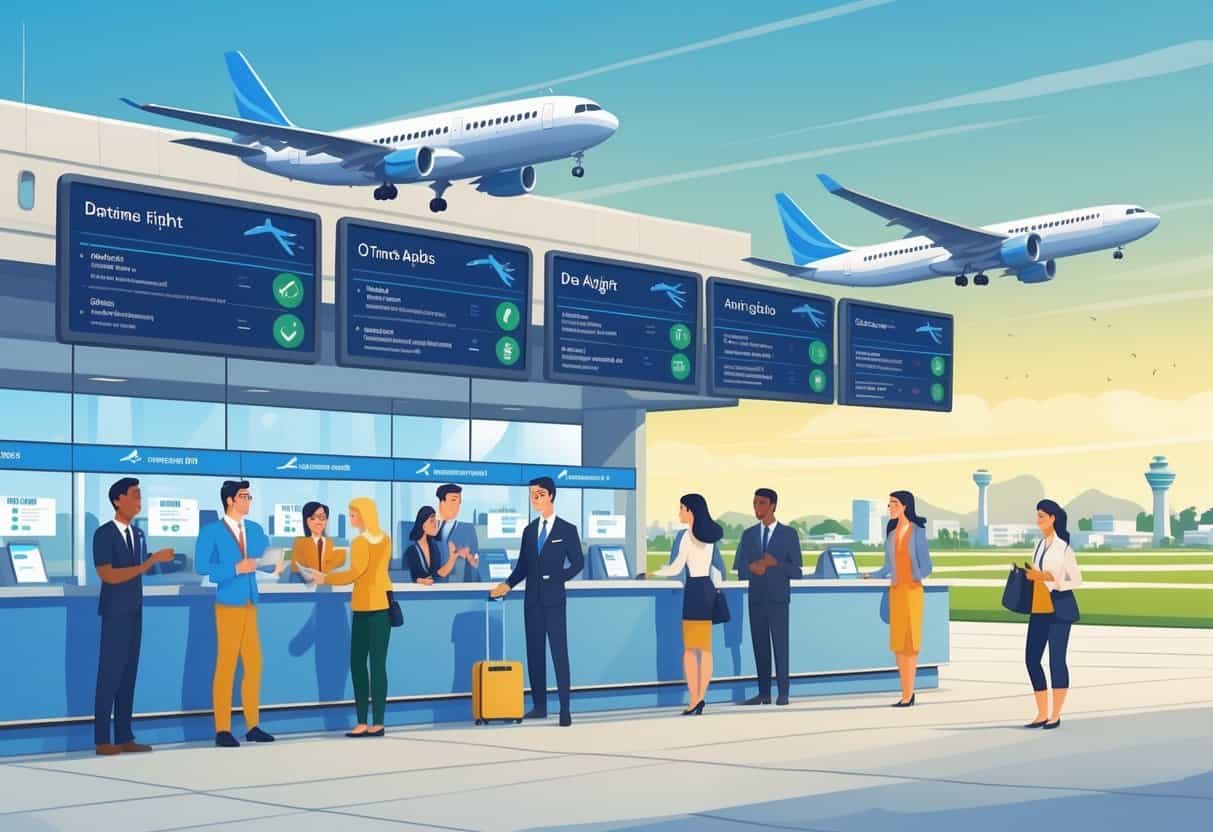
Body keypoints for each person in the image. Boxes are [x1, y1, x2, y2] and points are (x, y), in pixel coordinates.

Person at [490, 477, 584, 727]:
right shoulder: (529, 531)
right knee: (535, 654)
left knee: (559, 654)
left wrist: (558, 578)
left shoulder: (567, 530)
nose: (536, 499)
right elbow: (523, 566)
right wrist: (507, 584)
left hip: (554, 601)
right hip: (532, 601)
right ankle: (540, 706)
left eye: (540, 494)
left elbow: (578, 563)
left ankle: (565, 709)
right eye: (532, 495)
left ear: (551, 496)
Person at [92, 477, 173, 755]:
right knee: (109, 675)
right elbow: (108, 574)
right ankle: (103, 739)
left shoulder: (138, 535)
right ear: (118, 500)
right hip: (115, 612)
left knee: (128, 676)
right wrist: (149, 563)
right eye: (134, 495)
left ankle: (125, 735)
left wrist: (160, 562)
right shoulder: (104, 534)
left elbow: (138, 569)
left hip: (135, 611)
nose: (140, 500)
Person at [195, 480, 276, 747]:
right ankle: (222, 729)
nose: (249, 500)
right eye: (244, 496)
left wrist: (271, 563)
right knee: (227, 664)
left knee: (254, 664)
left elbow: (266, 561)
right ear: (230, 500)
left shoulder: (255, 529)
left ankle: (253, 724)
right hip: (228, 602)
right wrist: (235, 568)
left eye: (249, 496)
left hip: (251, 601)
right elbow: (202, 567)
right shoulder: (211, 531)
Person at [307, 497, 394, 737]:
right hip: (384, 608)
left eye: (353, 514)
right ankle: (378, 721)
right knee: (378, 665)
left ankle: (362, 722)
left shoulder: (359, 542)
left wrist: (325, 578)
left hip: (365, 608)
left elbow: (355, 573)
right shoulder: (386, 539)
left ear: (364, 515)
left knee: (358, 664)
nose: (351, 518)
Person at [654, 493, 726, 716]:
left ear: (691, 511)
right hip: (707, 590)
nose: (679, 513)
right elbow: (718, 570)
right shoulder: (711, 538)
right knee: (705, 649)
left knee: (689, 650)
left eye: (682, 509)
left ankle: (694, 699)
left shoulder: (686, 536)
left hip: (694, 590)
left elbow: (676, 567)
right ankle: (701, 697)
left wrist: (651, 573)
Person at [733, 488, 803, 706]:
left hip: (778, 599)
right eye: (754, 503)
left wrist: (775, 565)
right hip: (756, 598)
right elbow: (740, 570)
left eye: (761, 503)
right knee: (760, 646)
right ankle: (764, 693)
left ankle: (783, 693)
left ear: (773, 505)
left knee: (780, 646)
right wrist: (753, 568)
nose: (757, 507)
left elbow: (797, 571)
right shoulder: (749, 535)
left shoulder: (789, 534)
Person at [863, 490, 933, 707]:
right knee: (898, 645)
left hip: (912, 593)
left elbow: (927, 566)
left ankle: (908, 694)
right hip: (896, 593)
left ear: (905, 506)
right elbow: (887, 567)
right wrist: (870, 575)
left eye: (894, 503)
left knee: (910, 645)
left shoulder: (917, 532)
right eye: (889, 504)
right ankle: (906, 693)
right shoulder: (892, 534)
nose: (890, 507)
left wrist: (913, 576)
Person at [1023, 499, 1083, 730]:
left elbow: (1076, 579)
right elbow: (1039, 574)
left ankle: (1055, 714)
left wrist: (1053, 580)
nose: (1038, 521)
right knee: (1031, 659)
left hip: (1060, 607)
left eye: (1041, 516)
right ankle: (1041, 712)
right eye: (1037, 516)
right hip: (1040, 606)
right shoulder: (1039, 545)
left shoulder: (1064, 548)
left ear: (1052, 519)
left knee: (1056, 661)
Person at [403, 505, 466, 584]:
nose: (435, 524)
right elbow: (408, 577)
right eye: (432, 521)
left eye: (436, 521)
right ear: (423, 525)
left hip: (433, 592)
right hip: (416, 593)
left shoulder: (434, 548)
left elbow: (438, 574)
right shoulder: (410, 551)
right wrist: (420, 581)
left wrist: (452, 558)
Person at [435, 484, 481, 582]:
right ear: (441, 502)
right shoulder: (429, 528)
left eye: (459, 502)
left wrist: (469, 557)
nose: (457, 506)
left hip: (458, 585)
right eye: (453, 500)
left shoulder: (468, 529)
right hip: (432, 585)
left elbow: (476, 559)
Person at [290, 501, 345, 578]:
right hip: (308, 585)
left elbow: (331, 564)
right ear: (306, 521)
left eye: (322, 518)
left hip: (327, 583)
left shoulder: (329, 542)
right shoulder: (300, 542)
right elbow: (296, 568)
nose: (318, 522)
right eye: (313, 518)